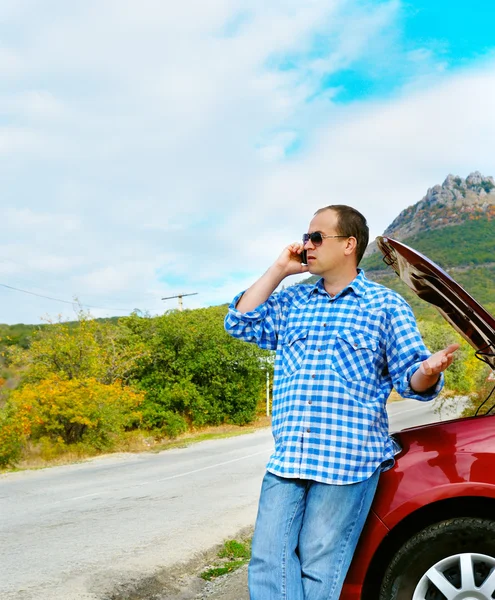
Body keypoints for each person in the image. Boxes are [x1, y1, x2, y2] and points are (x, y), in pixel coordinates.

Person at [224, 205, 459, 600]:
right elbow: (240, 322)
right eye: (306, 237)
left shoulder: (385, 307)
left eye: (317, 237)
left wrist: (430, 370)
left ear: (349, 244)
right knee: (267, 562)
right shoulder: (294, 301)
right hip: (290, 456)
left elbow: (412, 378)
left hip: (347, 461)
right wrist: (280, 269)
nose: (306, 245)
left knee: (319, 570)